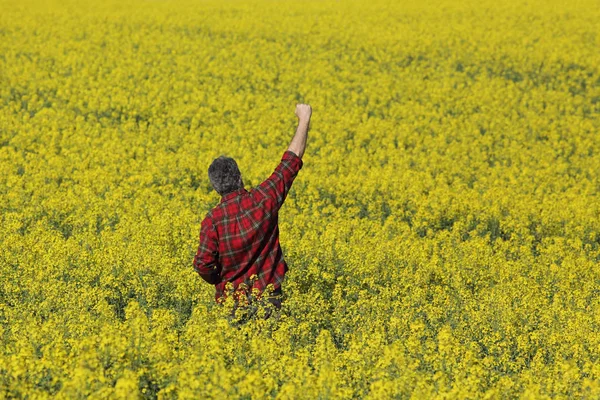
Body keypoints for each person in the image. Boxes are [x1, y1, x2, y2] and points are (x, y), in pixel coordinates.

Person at [193, 103, 312, 321]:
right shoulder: (263, 200)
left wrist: (219, 278)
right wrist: (304, 119)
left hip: (232, 306)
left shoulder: (213, 221)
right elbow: (290, 162)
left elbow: (203, 264)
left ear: (215, 187)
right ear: (239, 177)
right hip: (269, 302)